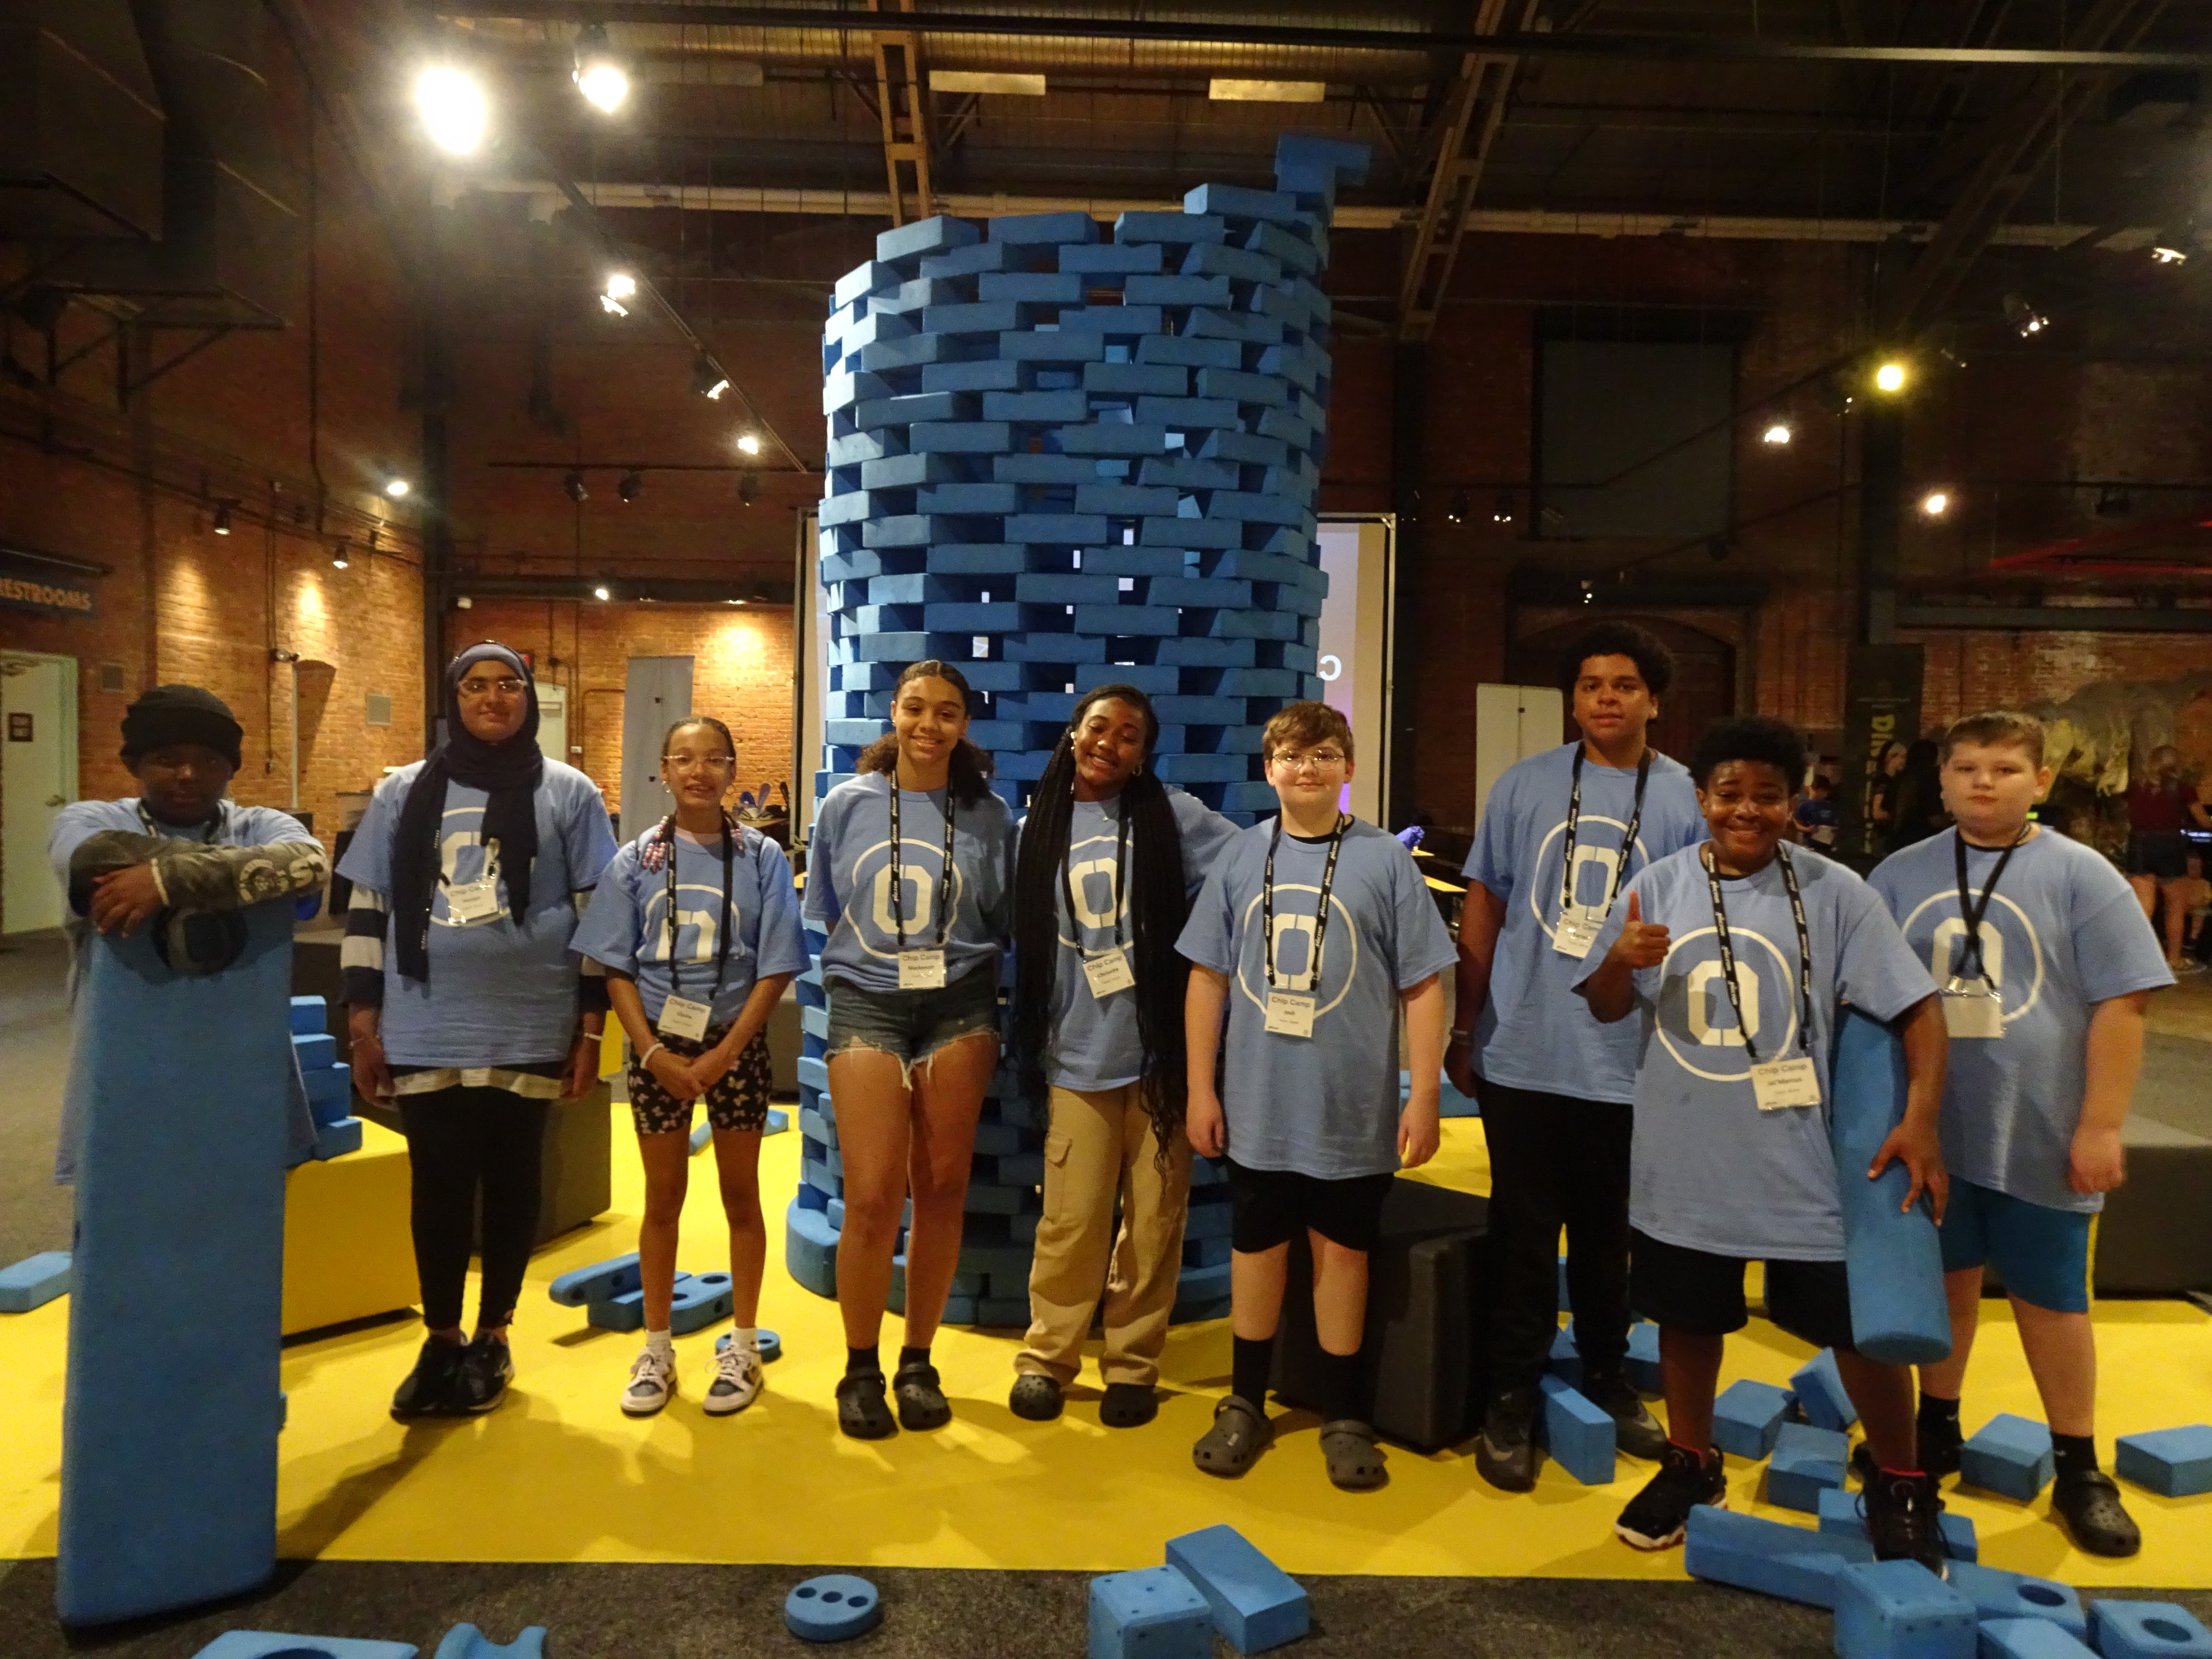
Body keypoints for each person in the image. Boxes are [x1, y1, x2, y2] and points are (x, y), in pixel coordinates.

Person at [1572, 714, 1951, 1567]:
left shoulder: (1838, 893)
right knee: (1684, 1321)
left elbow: (1920, 1008)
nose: (1746, 811)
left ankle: (1900, 1479)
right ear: (1701, 798)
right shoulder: (1656, 885)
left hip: (1805, 1168)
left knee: (1858, 1334)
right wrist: (1617, 962)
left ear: (1797, 801)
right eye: (1729, 794)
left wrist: (1919, 1120)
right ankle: (1691, 1458)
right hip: (1685, 1162)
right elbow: (1601, 1007)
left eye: (1767, 796)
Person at [1869, 710, 2173, 1558]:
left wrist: (2102, 1124)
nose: (1983, 782)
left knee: (2053, 1300)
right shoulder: (1898, 875)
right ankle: (1938, 1429)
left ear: (2040, 782)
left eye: (2004, 769)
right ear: (1941, 781)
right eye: (1966, 768)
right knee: (1946, 1286)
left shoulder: (2084, 875)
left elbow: (2125, 1002)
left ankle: (2079, 1464)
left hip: (2042, 1129)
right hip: (1936, 1129)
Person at [1448, 621, 1705, 1490]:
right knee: (1520, 1235)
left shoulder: (1682, 799)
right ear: (1573, 698)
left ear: (1653, 699)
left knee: (1607, 1238)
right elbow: (1485, 902)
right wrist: (1465, 1020)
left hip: (1632, 1058)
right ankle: (1510, 1395)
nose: (1606, 696)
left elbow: (1699, 926)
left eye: (1625, 684)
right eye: (1591, 683)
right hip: (1524, 1051)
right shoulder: (1524, 785)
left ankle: (1604, 1375)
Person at [1178, 701, 1456, 1491]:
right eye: (1292, 756)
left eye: (1325, 754)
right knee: (1256, 1249)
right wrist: (1203, 1086)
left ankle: (1343, 1412)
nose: (1307, 768)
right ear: (1269, 769)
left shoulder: (1384, 862)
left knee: (1344, 1254)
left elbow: (1424, 984)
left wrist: (1424, 1092)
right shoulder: (1241, 857)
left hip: (1349, 1108)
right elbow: (1206, 977)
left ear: (1349, 769)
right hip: (1258, 1104)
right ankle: (1244, 1400)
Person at [339, 644, 619, 1420]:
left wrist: (592, 1029)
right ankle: (441, 1334)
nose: (492, 699)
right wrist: (362, 1020)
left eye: (507, 686)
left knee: (512, 1176)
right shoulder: (400, 791)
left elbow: (601, 915)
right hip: (423, 1015)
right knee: (437, 1182)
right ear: (453, 699)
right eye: (475, 687)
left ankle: (495, 1331)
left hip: (532, 1014)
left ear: (528, 697)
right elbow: (370, 908)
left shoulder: (570, 791)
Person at [1007, 684, 1239, 1429]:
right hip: (1075, 1051)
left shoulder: (1176, 816)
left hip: (1161, 1055)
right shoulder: (1032, 826)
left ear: (1144, 753)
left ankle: (1133, 1364)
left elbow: (1250, 872)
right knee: (1071, 1222)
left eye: (1130, 735)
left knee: (1154, 1218)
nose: (1110, 742)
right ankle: (1048, 1358)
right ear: (1073, 732)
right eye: (1099, 726)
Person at [572, 716, 808, 1418]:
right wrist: (650, 1053)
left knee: (742, 1197)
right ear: (664, 772)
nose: (699, 771)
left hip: (733, 1045)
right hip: (656, 1053)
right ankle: (657, 1346)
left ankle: (741, 1345)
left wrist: (727, 1051)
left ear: (734, 771)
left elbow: (776, 964)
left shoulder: (762, 857)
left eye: (714, 759)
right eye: (684, 759)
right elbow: (614, 964)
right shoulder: (635, 859)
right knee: (662, 1200)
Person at [805, 659, 1016, 1439]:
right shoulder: (846, 805)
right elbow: (825, 909)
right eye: (916, 709)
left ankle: (917, 1358)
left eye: (948, 713)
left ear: (965, 725)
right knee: (870, 1194)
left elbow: (1000, 919)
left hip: (959, 999)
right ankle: (860, 1365)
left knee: (942, 1185)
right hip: (867, 999)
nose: (930, 725)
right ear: (892, 714)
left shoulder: (989, 815)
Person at [47, 685, 329, 1178]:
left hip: (244, 1064)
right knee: (126, 1216)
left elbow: (308, 865)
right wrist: (247, 878)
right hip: (130, 1062)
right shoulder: (91, 820)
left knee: (244, 1221)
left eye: (209, 760)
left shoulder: (258, 825)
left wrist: (165, 881)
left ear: (231, 768)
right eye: (166, 758)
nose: (187, 774)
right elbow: (92, 859)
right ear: (135, 764)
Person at [2124, 745, 2211, 970]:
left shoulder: (2136, 786)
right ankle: (2174, 959)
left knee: (2143, 909)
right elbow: (2203, 820)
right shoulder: (2183, 788)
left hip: (2140, 844)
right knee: (2175, 906)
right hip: (2169, 846)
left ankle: (2138, 961)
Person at [1885, 738, 1948, 854]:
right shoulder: (1931, 781)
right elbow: (1934, 820)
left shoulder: (1898, 779)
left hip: (1896, 846)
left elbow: (1886, 812)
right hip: (1924, 845)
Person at [1793, 774, 1839, 851]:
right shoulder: (1805, 806)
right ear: (1813, 789)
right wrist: (1807, 829)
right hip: (1811, 846)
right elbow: (1796, 824)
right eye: (1821, 791)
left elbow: (1837, 822)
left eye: (1826, 792)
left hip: (1828, 846)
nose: (1824, 794)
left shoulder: (1830, 806)